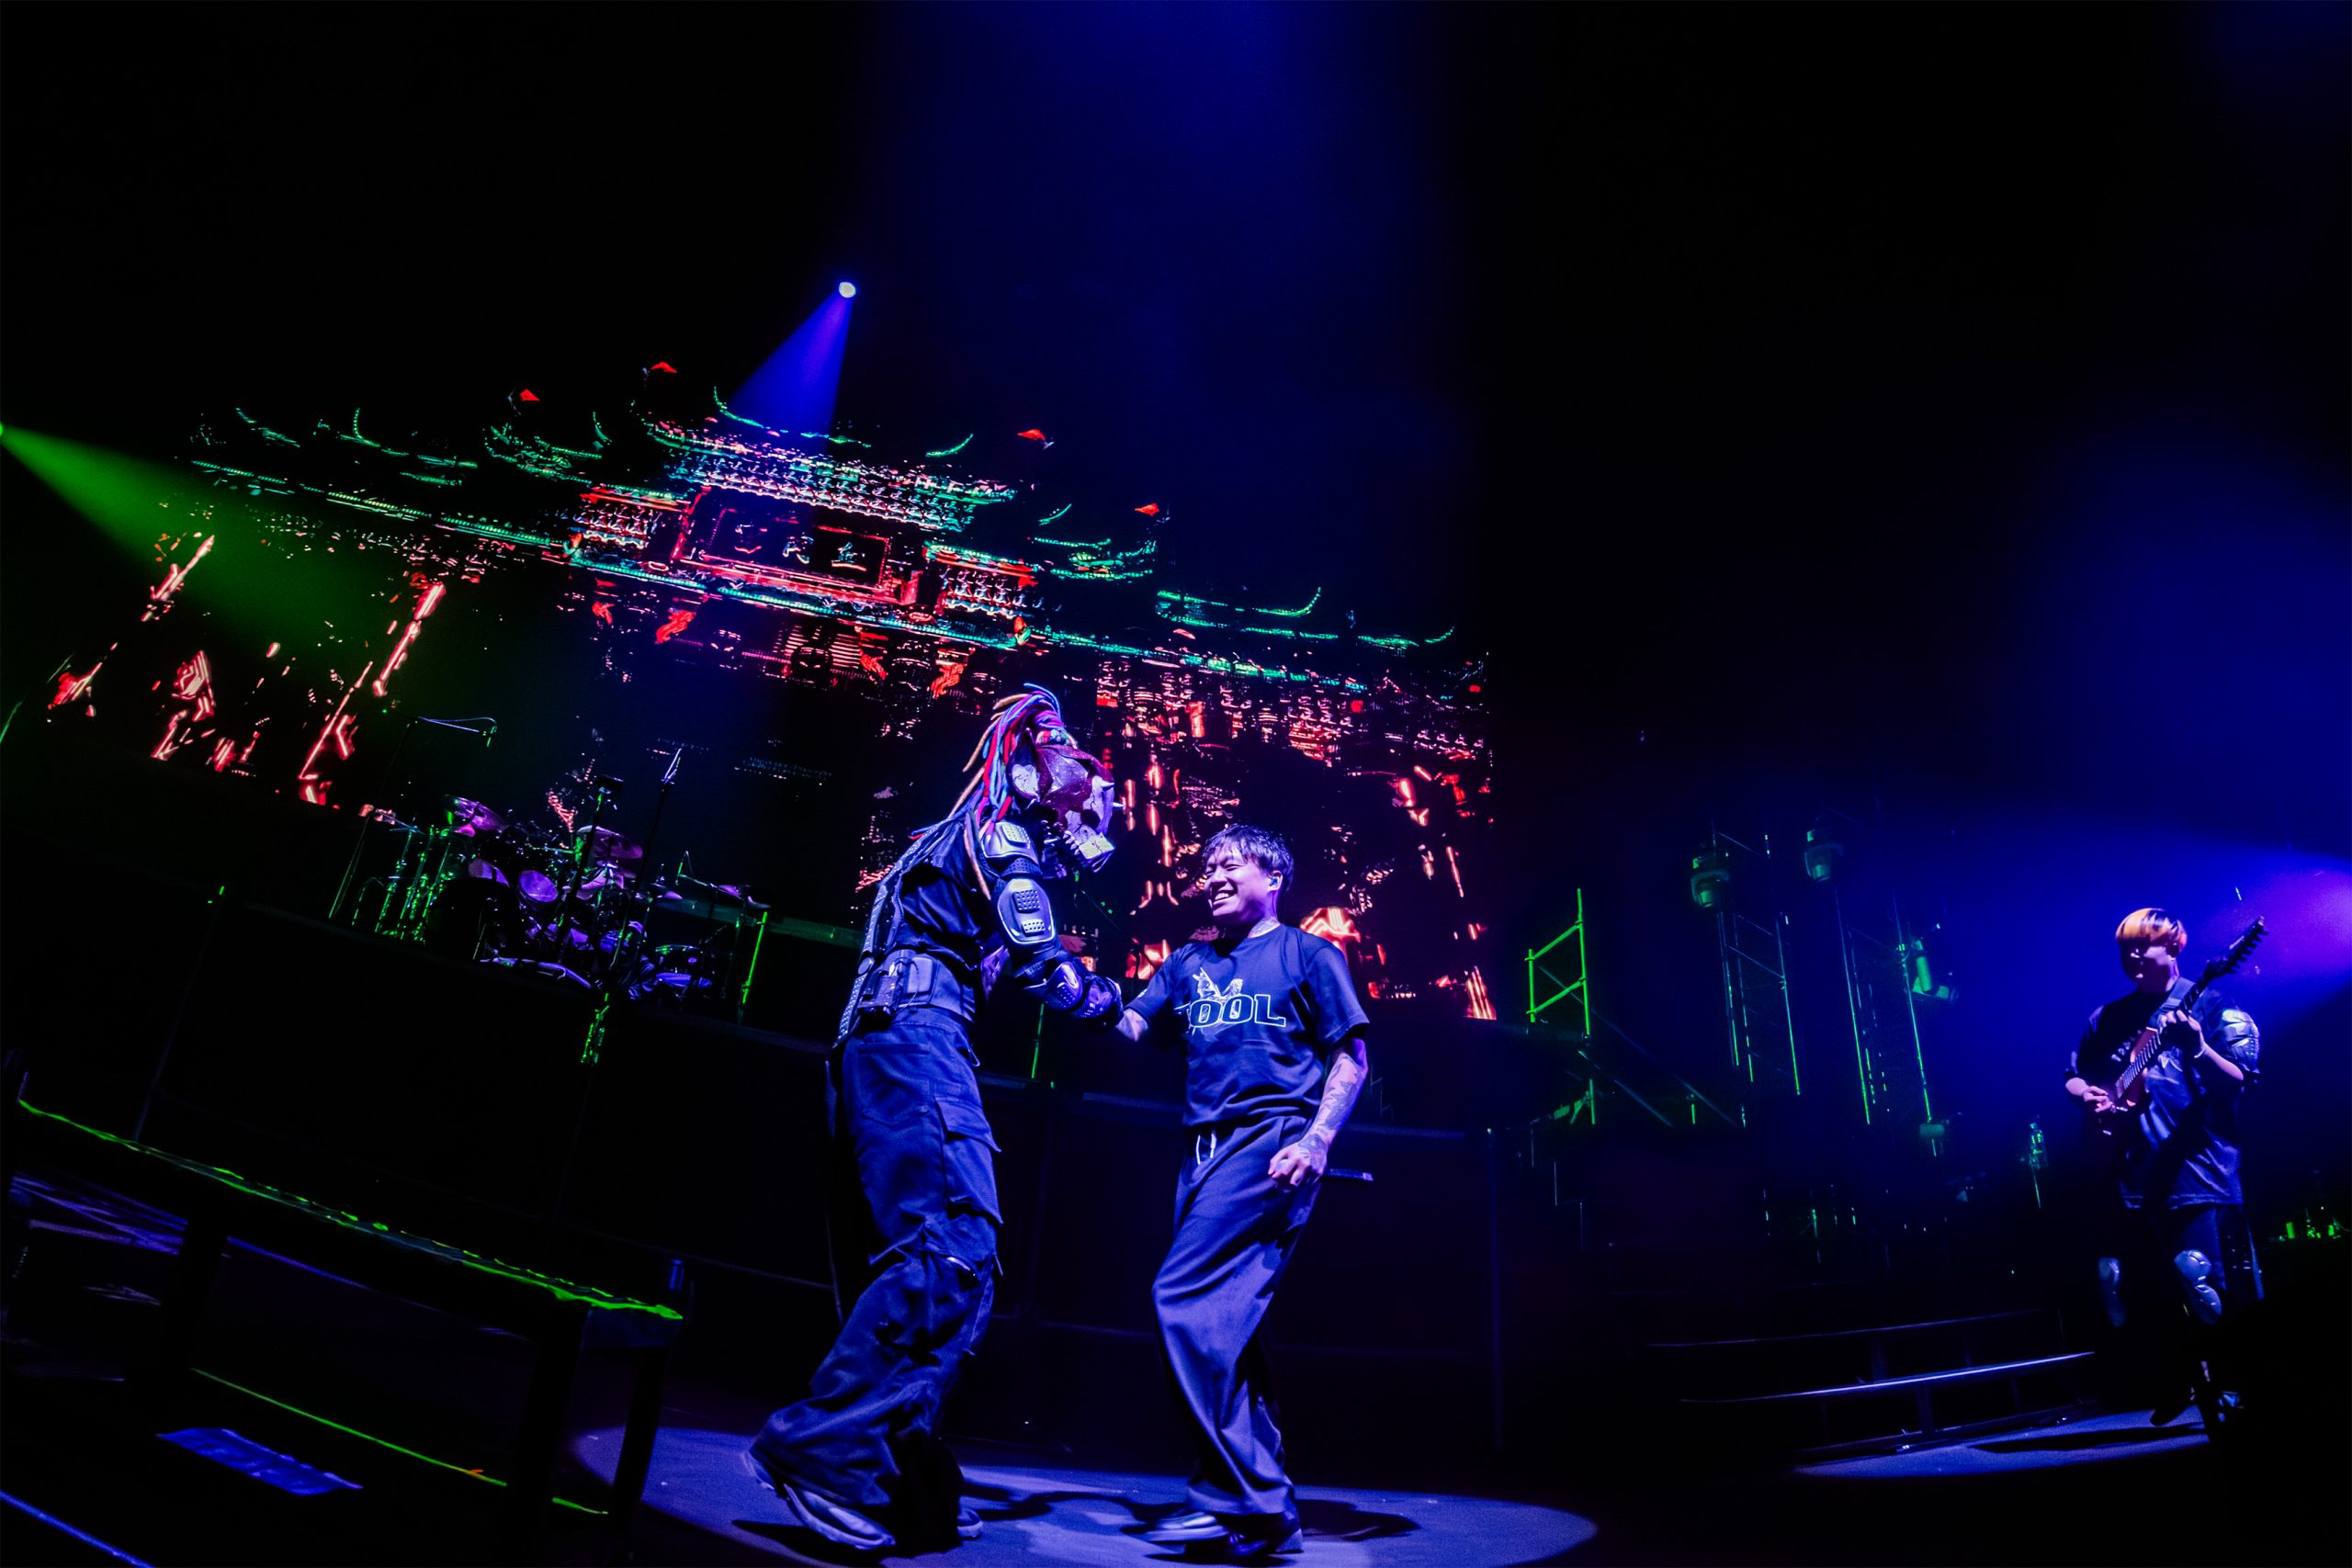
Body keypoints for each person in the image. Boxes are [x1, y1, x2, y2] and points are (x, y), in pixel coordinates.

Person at [747, 687, 1125, 1551]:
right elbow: (1042, 966)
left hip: (880, 1040)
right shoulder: (1003, 833)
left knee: (915, 1256)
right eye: (1081, 770)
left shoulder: (960, 836)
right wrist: (1114, 1005)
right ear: (1038, 767)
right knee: (951, 1244)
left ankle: (901, 1474)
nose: (1097, 787)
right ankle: (824, 1450)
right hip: (916, 1035)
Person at [1114, 824, 1370, 1556]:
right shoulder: (1187, 961)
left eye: (1230, 864)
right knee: (1231, 1327)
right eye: (1207, 867)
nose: (1214, 876)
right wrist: (1062, 982)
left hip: (1270, 1144)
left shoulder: (1307, 954)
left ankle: (1243, 1497)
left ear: (1273, 877)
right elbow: (1131, 1024)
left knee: (1183, 1299)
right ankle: (1259, 1506)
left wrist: (1317, 1139)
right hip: (1198, 1153)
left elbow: (1350, 1055)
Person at [2063, 907, 2260, 1422]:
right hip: (2129, 1179)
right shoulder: (2106, 1018)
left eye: (2141, 946)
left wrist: (2197, 1047)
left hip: (2198, 1176)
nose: (2131, 956)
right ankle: (2183, 1379)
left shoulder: (2212, 1002)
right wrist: (2087, 1095)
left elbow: (2239, 1083)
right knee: (2140, 1290)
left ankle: (2236, 1391)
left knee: (2207, 1289)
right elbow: (2073, 1075)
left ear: (2173, 947)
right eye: (2124, 948)